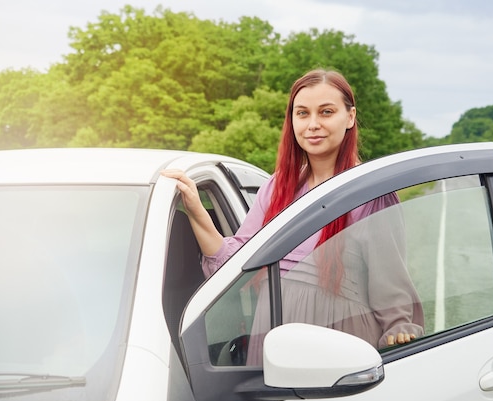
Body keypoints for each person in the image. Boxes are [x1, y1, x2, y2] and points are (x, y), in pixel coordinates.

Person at [161, 69, 423, 362]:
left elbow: (390, 280)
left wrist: (399, 327)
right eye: (302, 114)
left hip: (341, 343)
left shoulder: (370, 191)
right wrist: (196, 208)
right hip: (272, 342)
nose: (313, 124)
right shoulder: (277, 188)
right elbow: (233, 264)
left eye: (326, 112)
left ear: (349, 118)